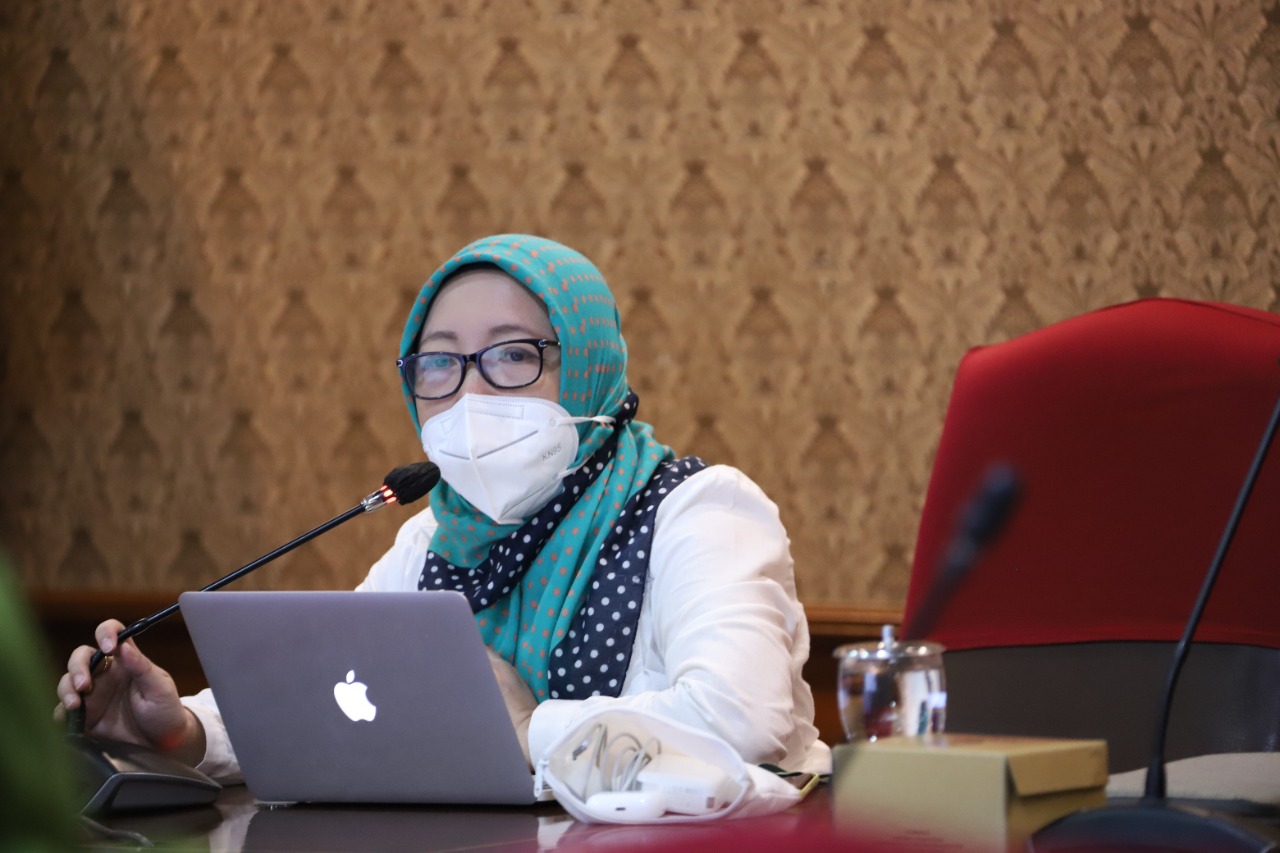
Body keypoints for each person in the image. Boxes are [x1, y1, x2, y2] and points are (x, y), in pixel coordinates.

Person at [57, 234, 831, 782]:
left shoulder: (698, 511)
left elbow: (742, 720)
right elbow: (332, 695)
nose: (470, 393)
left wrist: (525, 729)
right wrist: (184, 731)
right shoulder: (432, 539)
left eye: (513, 354)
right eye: (439, 363)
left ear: (589, 365)